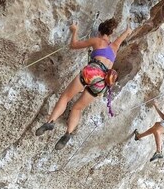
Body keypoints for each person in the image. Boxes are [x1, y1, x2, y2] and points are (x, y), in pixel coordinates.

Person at [35, 18, 133, 150]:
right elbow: (121, 37)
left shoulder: (97, 40)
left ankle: (50, 122)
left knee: (65, 97)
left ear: (99, 31)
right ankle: (68, 133)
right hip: (102, 82)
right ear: (110, 34)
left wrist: (74, 31)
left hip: (92, 72)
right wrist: (127, 31)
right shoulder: (114, 47)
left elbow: (74, 45)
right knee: (77, 108)